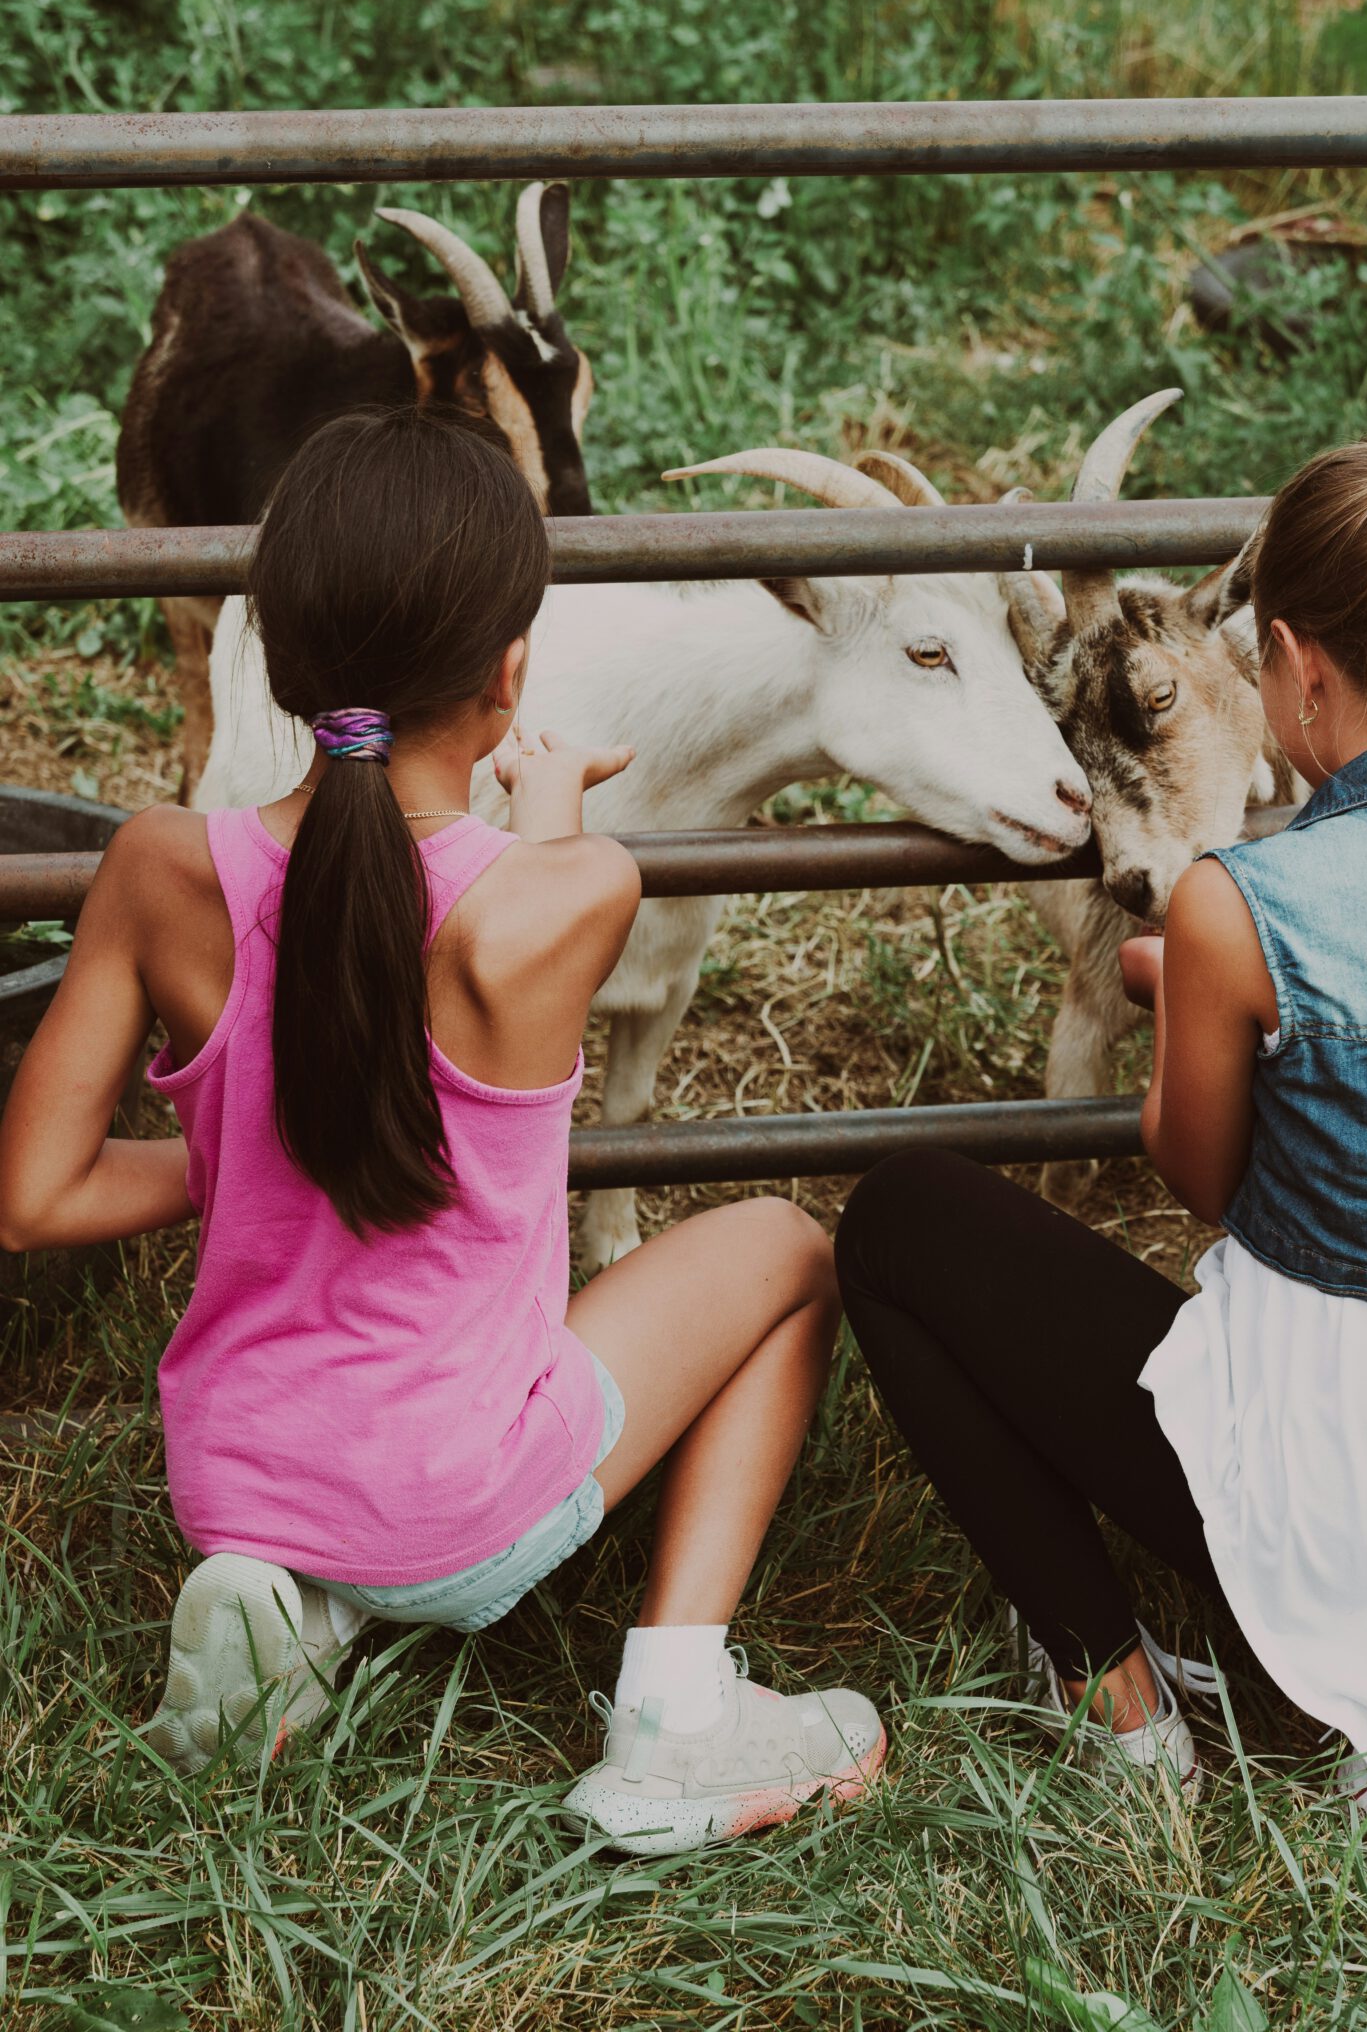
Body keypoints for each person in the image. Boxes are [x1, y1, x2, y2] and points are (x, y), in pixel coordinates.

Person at [0, 407, 882, 1853]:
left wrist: (241, 1154)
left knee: (338, 1487)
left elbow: (33, 1198)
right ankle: (677, 1710)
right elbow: (489, 933)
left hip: (234, 1478)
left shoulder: (160, 866)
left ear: (277, 657)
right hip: (466, 1504)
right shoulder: (565, 892)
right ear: (509, 669)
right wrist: (543, 807)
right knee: (785, 1251)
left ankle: (308, 1609)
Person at [835, 431, 1367, 1812]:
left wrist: (1193, 995)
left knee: (899, 1222)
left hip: (1316, 1545)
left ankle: (1126, 1697)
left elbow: (1201, 1176)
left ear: (1294, 667)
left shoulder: (1239, 906)